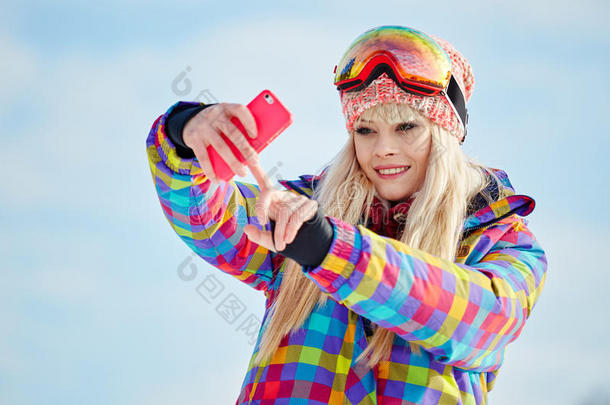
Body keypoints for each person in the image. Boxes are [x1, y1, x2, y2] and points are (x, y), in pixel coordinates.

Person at [146, 25, 547, 405]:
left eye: (407, 126)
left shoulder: (501, 240)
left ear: (445, 135)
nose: (383, 149)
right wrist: (185, 135)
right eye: (366, 130)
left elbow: (478, 319)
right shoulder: (303, 213)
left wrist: (330, 251)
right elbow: (212, 223)